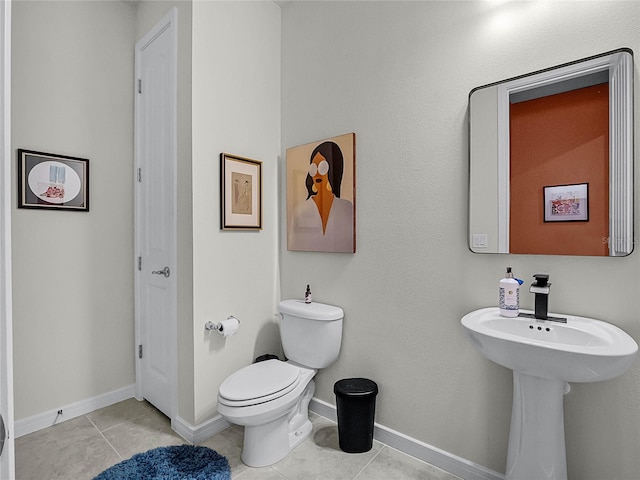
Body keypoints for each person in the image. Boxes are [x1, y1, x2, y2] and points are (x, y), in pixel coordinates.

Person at [289, 141, 354, 252]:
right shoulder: (300, 210)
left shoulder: (347, 208)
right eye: (313, 168)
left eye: (323, 167)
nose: (317, 174)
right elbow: (294, 244)